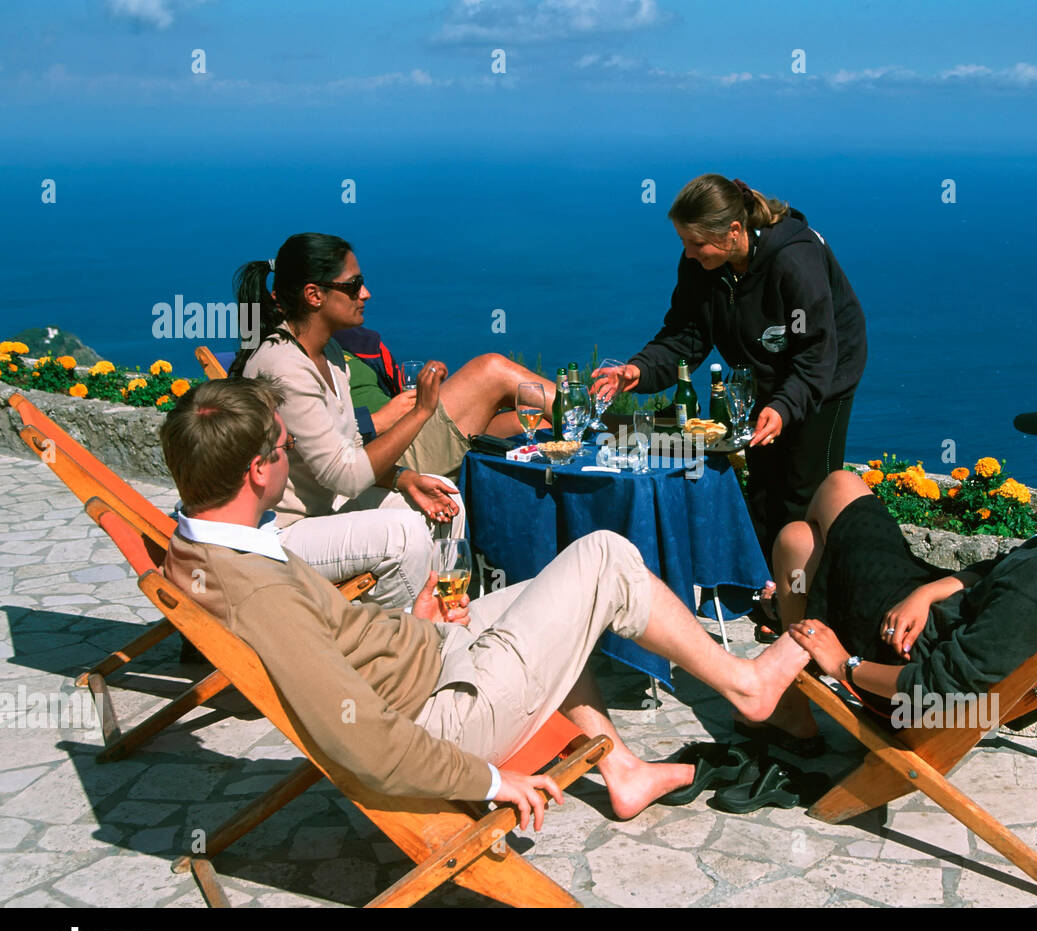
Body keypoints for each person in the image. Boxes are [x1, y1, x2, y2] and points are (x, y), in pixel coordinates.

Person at [158, 377, 813, 826]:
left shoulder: (201, 544)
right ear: (256, 471)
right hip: (444, 719)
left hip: (427, 663)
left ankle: (625, 771)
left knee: (556, 598)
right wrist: (493, 782)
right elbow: (366, 741)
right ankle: (748, 684)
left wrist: (410, 627)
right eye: (282, 445)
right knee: (606, 557)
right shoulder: (260, 594)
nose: (291, 448)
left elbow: (339, 648)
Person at [761, 383, 1037, 739]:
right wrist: (930, 590)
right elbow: (1005, 571)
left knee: (834, 491)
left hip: (900, 658)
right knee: (798, 542)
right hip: (930, 617)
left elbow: (940, 687)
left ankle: (793, 696)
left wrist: (843, 664)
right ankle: (793, 693)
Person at [226, 233, 553, 607]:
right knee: (403, 532)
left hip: (326, 508)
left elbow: (348, 449)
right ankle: (412, 641)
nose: (365, 294)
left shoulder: (328, 352)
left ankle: (449, 614)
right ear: (314, 295)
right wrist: (420, 413)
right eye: (353, 286)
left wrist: (406, 478)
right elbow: (345, 475)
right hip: (283, 530)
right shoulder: (284, 368)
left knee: (447, 502)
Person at [594, 175, 868, 570]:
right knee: (762, 485)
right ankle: (763, 584)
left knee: (805, 491)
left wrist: (786, 406)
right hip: (764, 372)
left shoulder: (795, 259)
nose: (688, 254)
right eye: (684, 242)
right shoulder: (704, 264)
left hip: (825, 374)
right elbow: (686, 335)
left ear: (734, 231)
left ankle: (809, 602)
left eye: (696, 243)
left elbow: (814, 352)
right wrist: (639, 369)